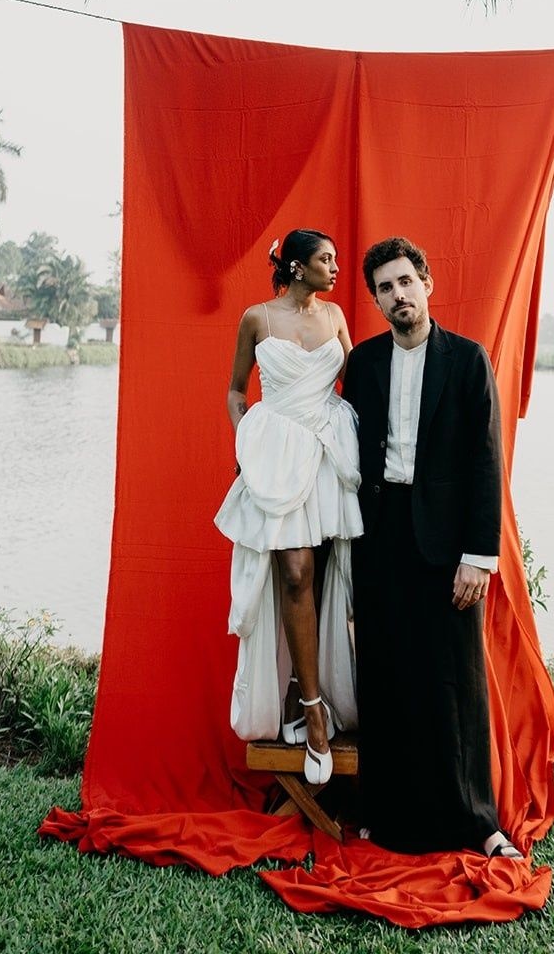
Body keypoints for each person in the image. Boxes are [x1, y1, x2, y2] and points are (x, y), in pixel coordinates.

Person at [342, 236, 521, 858]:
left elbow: (485, 463)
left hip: (448, 542)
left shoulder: (469, 361)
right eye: (385, 289)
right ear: (376, 300)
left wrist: (480, 555)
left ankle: (477, 820)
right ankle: (384, 813)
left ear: (427, 284)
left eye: (405, 283)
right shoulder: (362, 364)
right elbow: (344, 450)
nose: (397, 296)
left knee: (454, 679)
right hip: (381, 531)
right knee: (386, 674)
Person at [215, 229, 362, 784]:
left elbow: (358, 380)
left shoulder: (337, 318)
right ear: (297, 267)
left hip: (326, 453)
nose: (335, 267)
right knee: (295, 573)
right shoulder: (256, 318)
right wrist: (245, 439)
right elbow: (235, 390)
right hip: (276, 457)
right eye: (327, 259)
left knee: (323, 578)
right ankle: (312, 716)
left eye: (337, 258)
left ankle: (307, 684)